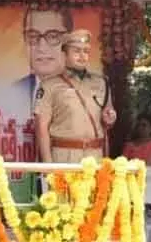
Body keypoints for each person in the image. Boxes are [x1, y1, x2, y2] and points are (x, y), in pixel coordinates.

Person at [34, 29, 116, 163]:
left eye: (85, 51)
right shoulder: (49, 85)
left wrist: (110, 118)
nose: (82, 56)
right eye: (76, 51)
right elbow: (41, 127)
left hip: (94, 156)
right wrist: (48, 166)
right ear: (64, 54)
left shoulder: (101, 82)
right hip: (64, 156)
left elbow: (108, 116)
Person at [14, 6, 73, 106]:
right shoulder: (12, 92)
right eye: (32, 36)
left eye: (53, 36)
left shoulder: (88, 90)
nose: (42, 48)